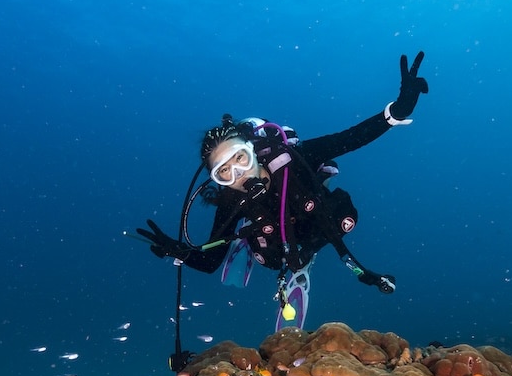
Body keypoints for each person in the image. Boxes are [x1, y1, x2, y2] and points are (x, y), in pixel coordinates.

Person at [137, 52, 428, 335]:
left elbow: (350, 139)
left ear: (253, 150)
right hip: (272, 236)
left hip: (311, 216)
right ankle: (248, 244)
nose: (238, 175)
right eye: (223, 172)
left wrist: (395, 113)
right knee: (269, 258)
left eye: (239, 158)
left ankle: (319, 188)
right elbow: (210, 262)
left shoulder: (291, 159)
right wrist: (179, 252)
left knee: (343, 216)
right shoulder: (231, 200)